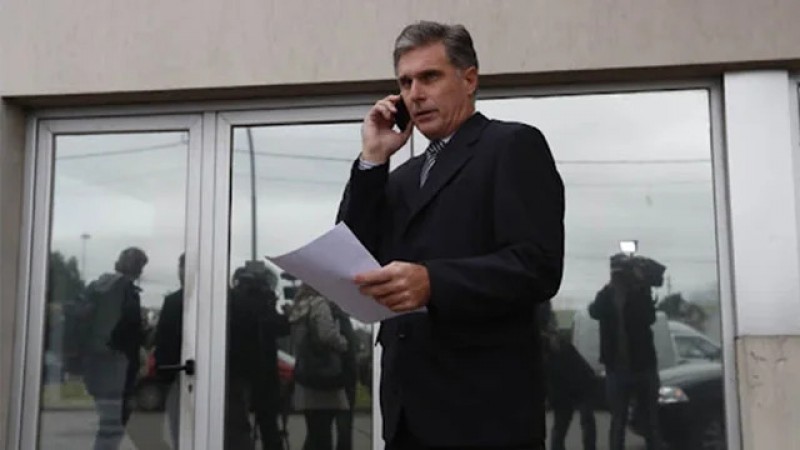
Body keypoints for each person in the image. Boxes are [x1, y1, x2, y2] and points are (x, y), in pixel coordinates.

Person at [338, 21, 565, 450]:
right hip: (406, 416)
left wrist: (433, 282)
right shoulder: (399, 178)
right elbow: (352, 252)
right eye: (405, 82)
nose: (415, 94)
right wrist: (372, 158)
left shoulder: (511, 146)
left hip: (484, 418)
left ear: (469, 79)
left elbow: (537, 265)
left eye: (430, 77)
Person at [588, 253, 665, 450]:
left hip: (640, 366)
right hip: (620, 367)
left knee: (648, 420)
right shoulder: (606, 296)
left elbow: (649, 318)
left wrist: (641, 288)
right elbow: (594, 311)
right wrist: (611, 288)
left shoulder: (638, 293)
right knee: (620, 421)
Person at [81, 247, 148, 450]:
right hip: (117, 366)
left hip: (95, 364)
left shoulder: (97, 287)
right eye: (141, 266)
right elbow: (127, 331)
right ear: (138, 268)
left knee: (109, 423)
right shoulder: (125, 291)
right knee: (113, 425)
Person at [225, 261, 290, 450]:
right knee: (268, 424)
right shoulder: (263, 301)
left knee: (237, 424)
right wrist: (288, 316)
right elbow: (278, 327)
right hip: (262, 372)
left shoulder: (233, 299)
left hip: (237, 370)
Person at [289, 284, 350, 450]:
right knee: (323, 432)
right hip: (325, 375)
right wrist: (343, 343)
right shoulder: (319, 304)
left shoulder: (299, 307)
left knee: (314, 430)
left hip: (306, 375)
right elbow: (327, 334)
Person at [154, 253, 185, 448]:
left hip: (178, 372)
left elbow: (164, 338)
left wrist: (163, 371)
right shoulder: (219, 301)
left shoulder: (173, 302)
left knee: (179, 425)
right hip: (182, 372)